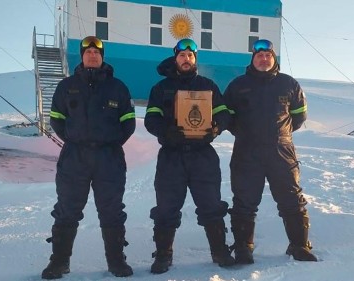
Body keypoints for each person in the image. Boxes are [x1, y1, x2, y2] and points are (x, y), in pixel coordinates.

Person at [41, 36, 136, 279]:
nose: (93, 55)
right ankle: (59, 262)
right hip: (75, 157)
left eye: (97, 52)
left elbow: (128, 124)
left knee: (112, 210)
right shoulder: (66, 86)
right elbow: (56, 120)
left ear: (102, 57)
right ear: (82, 56)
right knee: (67, 210)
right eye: (88, 51)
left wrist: (109, 144)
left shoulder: (119, 87)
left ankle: (117, 262)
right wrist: (76, 140)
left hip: (109, 158)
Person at [144, 38, 235, 274]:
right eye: (182, 56)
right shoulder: (160, 88)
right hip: (171, 156)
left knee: (211, 204)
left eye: (191, 56)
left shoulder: (209, 86)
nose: (186, 59)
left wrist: (215, 128)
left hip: (202, 156)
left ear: (195, 60)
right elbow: (150, 120)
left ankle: (219, 250)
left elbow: (224, 115)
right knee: (166, 207)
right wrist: (166, 132)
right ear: (176, 58)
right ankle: (163, 254)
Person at [223, 39, 318, 264]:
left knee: (292, 200)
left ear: (274, 59)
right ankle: (243, 248)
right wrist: (245, 133)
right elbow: (227, 116)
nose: (263, 59)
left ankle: (299, 246)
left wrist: (280, 134)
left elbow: (299, 116)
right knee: (244, 201)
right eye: (259, 56)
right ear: (252, 59)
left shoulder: (289, 84)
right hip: (247, 153)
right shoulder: (238, 85)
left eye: (268, 56)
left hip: (281, 152)